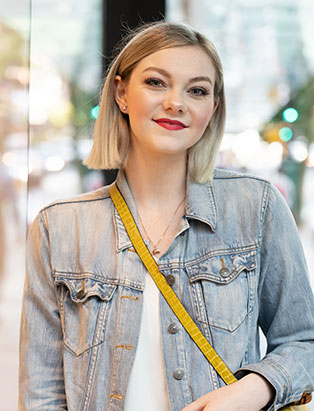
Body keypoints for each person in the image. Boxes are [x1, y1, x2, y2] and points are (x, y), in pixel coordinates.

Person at [19, 21, 314, 411]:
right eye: (156, 82)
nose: (176, 102)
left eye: (197, 90)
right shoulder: (58, 227)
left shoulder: (255, 206)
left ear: (213, 108)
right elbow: (41, 393)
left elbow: (303, 341)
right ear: (122, 93)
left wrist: (254, 388)